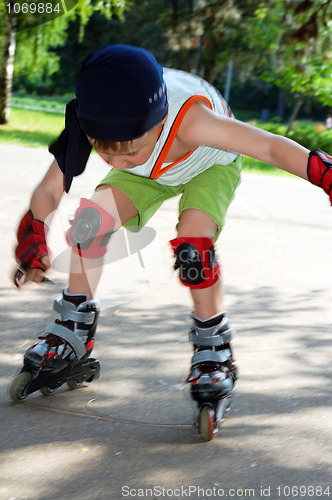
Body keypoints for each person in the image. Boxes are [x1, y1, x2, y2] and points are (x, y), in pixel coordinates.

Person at [13, 44, 332, 433]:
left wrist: (322, 172)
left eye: (130, 151)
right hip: (151, 175)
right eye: (104, 152)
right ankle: (75, 332)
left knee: (194, 249)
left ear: (159, 122)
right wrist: (34, 232)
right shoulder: (95, 116)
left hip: (208, 163)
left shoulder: (191, 120)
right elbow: (49, 189)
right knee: (89, 222)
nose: (117, 163)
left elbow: (267, 145)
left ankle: (213, 346)